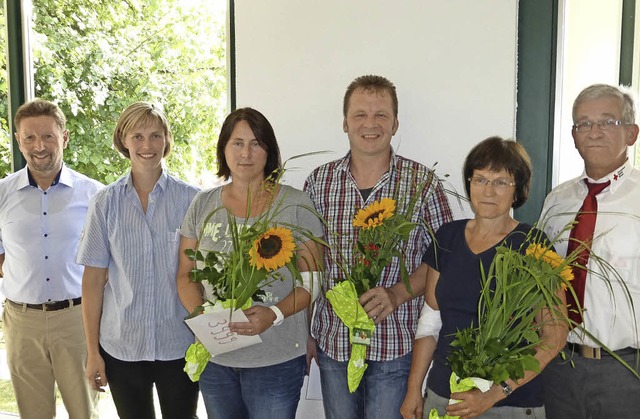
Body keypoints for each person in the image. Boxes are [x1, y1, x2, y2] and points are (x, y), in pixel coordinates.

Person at [304, 74, 453, 419]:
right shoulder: (319, 182)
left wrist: (398, 293)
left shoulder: (422, 183)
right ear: (345, 123)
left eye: (380, 115)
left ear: (395, 123)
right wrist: (306, 333)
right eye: (360, 115)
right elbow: (309, 265)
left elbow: (442, 259)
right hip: (334, 344)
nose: (370, 124)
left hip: (395, 345)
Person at [401, 137, 568, 419]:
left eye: (501, 181)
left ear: (517, 189)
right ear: (469, 184)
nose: (488, 190)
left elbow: (554, 336)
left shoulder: (533, 246)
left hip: (509, 404)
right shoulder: (447, 237)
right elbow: (430, 324)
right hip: (443, 397)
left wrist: (493, 393)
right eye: (480, 179)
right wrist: (413, 388)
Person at [176, 107, 324, 419]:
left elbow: (311, 282)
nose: (246, 153)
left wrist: (273, 313)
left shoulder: (296, 204)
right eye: (237, 143)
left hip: (277, 359)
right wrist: (204, 316)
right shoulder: (202, 204)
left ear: (269, 151)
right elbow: (185, 274)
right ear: (224, 149)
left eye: (256, 143)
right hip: (216, 361)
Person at [77, 102, 200, 418]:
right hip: (123, 346)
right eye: (138, 136)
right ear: (124, 140)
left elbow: (203, 274)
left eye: (156, 136)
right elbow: (93, 282)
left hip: (180, 344)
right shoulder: (105, 203)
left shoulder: (192, 200)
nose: (148, 146)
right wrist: (93, 353)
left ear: (166, 140)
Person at [539, 84, 640, 419]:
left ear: (631, 132)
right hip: (559, 365)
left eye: (607, 122)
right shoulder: (557, 201)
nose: (594, 132)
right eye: (584, 123)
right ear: (573, 135)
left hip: (627, 372)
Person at [0, 98, 101, 418]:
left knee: (83, 411)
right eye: (29, 137)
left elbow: (107, 263)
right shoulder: (2, 193)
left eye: (47, 136)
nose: (38, 146)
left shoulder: (94, 195)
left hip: (76, 320)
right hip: (21, 322)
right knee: (33, 414)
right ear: (18, 140)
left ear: (65, 138)